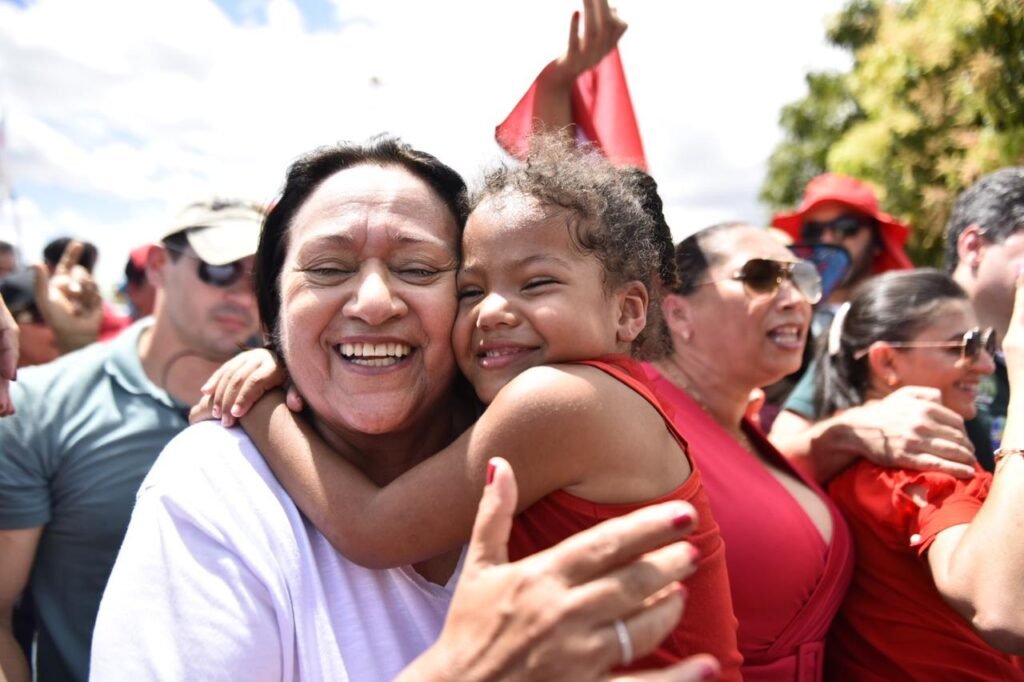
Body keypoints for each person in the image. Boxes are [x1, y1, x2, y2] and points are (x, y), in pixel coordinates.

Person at [92, 137, 727, 681]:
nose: (494, 311)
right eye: (328, 269)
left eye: (420, 269)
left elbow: (373, 529)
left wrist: (261, 407)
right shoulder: (210, 487)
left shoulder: (556, 401)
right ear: (275, 311)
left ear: (630, 310)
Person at [0, 198, 263, 682]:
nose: (245, 296)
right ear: (159, 265)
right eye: (220, 270)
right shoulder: (40, 407)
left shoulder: (302, 408)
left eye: (262, 277)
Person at [638, 221, 853, 680]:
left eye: (802, 280)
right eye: (761, 277)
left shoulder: (743, 425)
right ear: (677, 313)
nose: (795, 299)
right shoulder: (635, 414)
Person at [812, 269, 1024, 679]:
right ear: (887, 361)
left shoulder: (844, 455)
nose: (984, 365)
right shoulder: (926, 465)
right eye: (963, 346)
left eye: (985, 344)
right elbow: (1001, 607)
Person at [770, 167, 1024, 475]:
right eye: (961, 346)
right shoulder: (879, 322)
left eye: (846, 227)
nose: (828, 240)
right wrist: (857, 430)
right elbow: (780, 455)